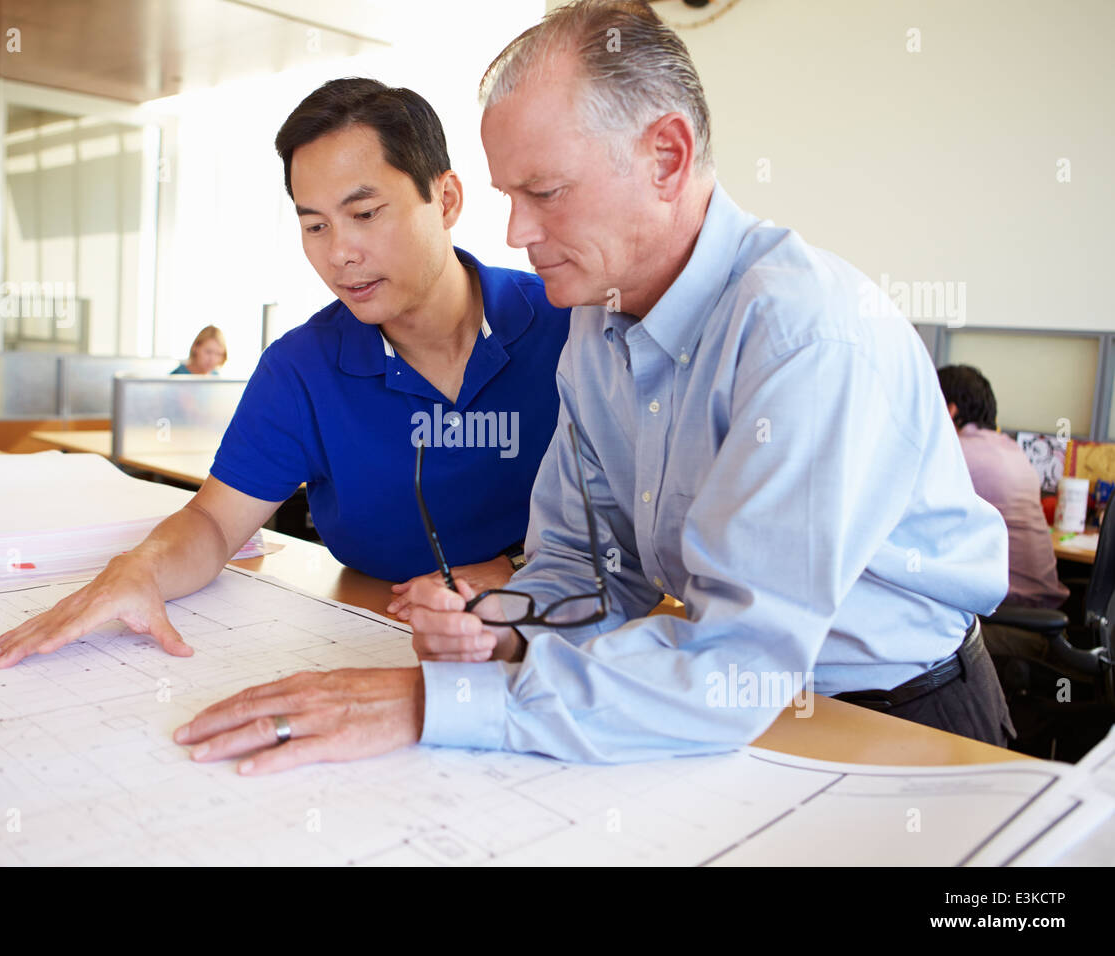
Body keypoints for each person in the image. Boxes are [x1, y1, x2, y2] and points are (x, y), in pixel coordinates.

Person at [166, 0, 1015, 776]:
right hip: (717, 707)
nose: (515, 233)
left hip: (895, 716)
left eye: (546, 193)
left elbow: (737, 666)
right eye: (508, 195)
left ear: (667, 157)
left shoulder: (805, 337)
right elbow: (591, 566)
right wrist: (498, 614)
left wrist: (435, 704)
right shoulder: (595, 323)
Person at [0, 78, 570, 668]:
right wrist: (139, 569)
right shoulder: (302, 367)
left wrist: (514, 571)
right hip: (374, 636)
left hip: (560, 635)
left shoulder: (568, 325)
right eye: (315, 225)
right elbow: (214, 523)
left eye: (364, 213)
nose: (339, 253)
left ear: (445, 201)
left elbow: (633, 524)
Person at [938, 364, 1068, 609]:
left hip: (1011, 613)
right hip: (1043, 609)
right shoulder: (1011, 450)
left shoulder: (958, 454)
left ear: (950, 410)